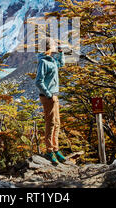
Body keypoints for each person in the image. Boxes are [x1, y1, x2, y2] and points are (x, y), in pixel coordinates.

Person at [35, 37, 66, 165]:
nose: (55, 46)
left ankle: (55, 148)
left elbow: (61, 63)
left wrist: (61, 51)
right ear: (48, 47)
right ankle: (49, 150)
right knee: (51, 123)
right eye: (53, 45)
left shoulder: (52, 60)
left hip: (54, 96)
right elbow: (38, 81)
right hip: (48, 97)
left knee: (57, 123)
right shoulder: (43, 62)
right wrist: (48, 95)